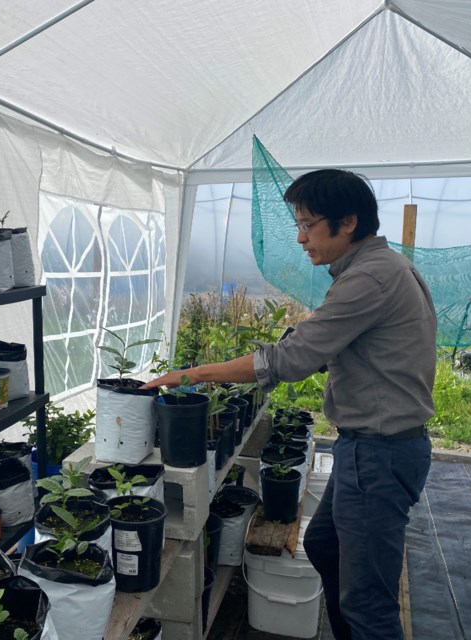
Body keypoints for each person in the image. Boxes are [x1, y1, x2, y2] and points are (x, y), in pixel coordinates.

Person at [140, 168, 436, 640]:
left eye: (307, 225)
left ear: (348, 223)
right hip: (373, 449)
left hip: (379, 455)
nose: (300, 238)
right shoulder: (382, 269)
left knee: (368, 602)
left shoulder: (370, 279)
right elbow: (349, 345)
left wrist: (190, 374)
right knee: (324, 546)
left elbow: (290, 360)